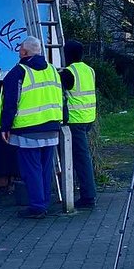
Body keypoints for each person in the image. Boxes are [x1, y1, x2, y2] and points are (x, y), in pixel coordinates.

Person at [0, 36, 64, 219]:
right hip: (51, 126)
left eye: (20, 49)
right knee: (44, 168)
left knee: (31, 170)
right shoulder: (52, 70)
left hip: (29, 129)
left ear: (24, 52)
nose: (18, 51)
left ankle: (37, 206)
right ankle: (43, 203)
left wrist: (5, 126)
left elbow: (10, 102)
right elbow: (60, 96)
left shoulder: (18, 72)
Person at [60, 40, 97, 209]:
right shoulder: (89, 70)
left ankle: (88, 197)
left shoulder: (68, 73)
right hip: (89, 118)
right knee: (81, 158)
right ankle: (85, 192)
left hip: (75, 121)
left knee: (82, 160)